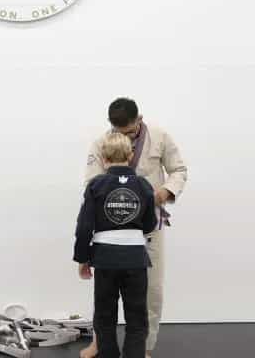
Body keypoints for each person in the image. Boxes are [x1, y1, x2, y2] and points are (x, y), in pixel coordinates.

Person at [80, 98, 188, 358]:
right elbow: (91, 184)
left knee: (151, 289)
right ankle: (100, 341)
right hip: (110, 226)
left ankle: (144, 347)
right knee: (104, 295)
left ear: (139, 120)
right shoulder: (101, 143)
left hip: (149, 225)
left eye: (128, 132)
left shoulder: (160, 137)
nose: (124, 138)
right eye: (118, 132)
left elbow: (179, 170)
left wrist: (163, 192)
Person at [74, 132, 158, 358]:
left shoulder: (96, 185)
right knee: (136, 316)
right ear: (131, 155)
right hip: (135, 260)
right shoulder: (144, 186)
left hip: (104, 259)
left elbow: (84, 226)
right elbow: (150, 224)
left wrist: (83, 258)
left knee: (104, 314)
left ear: (103, 157)